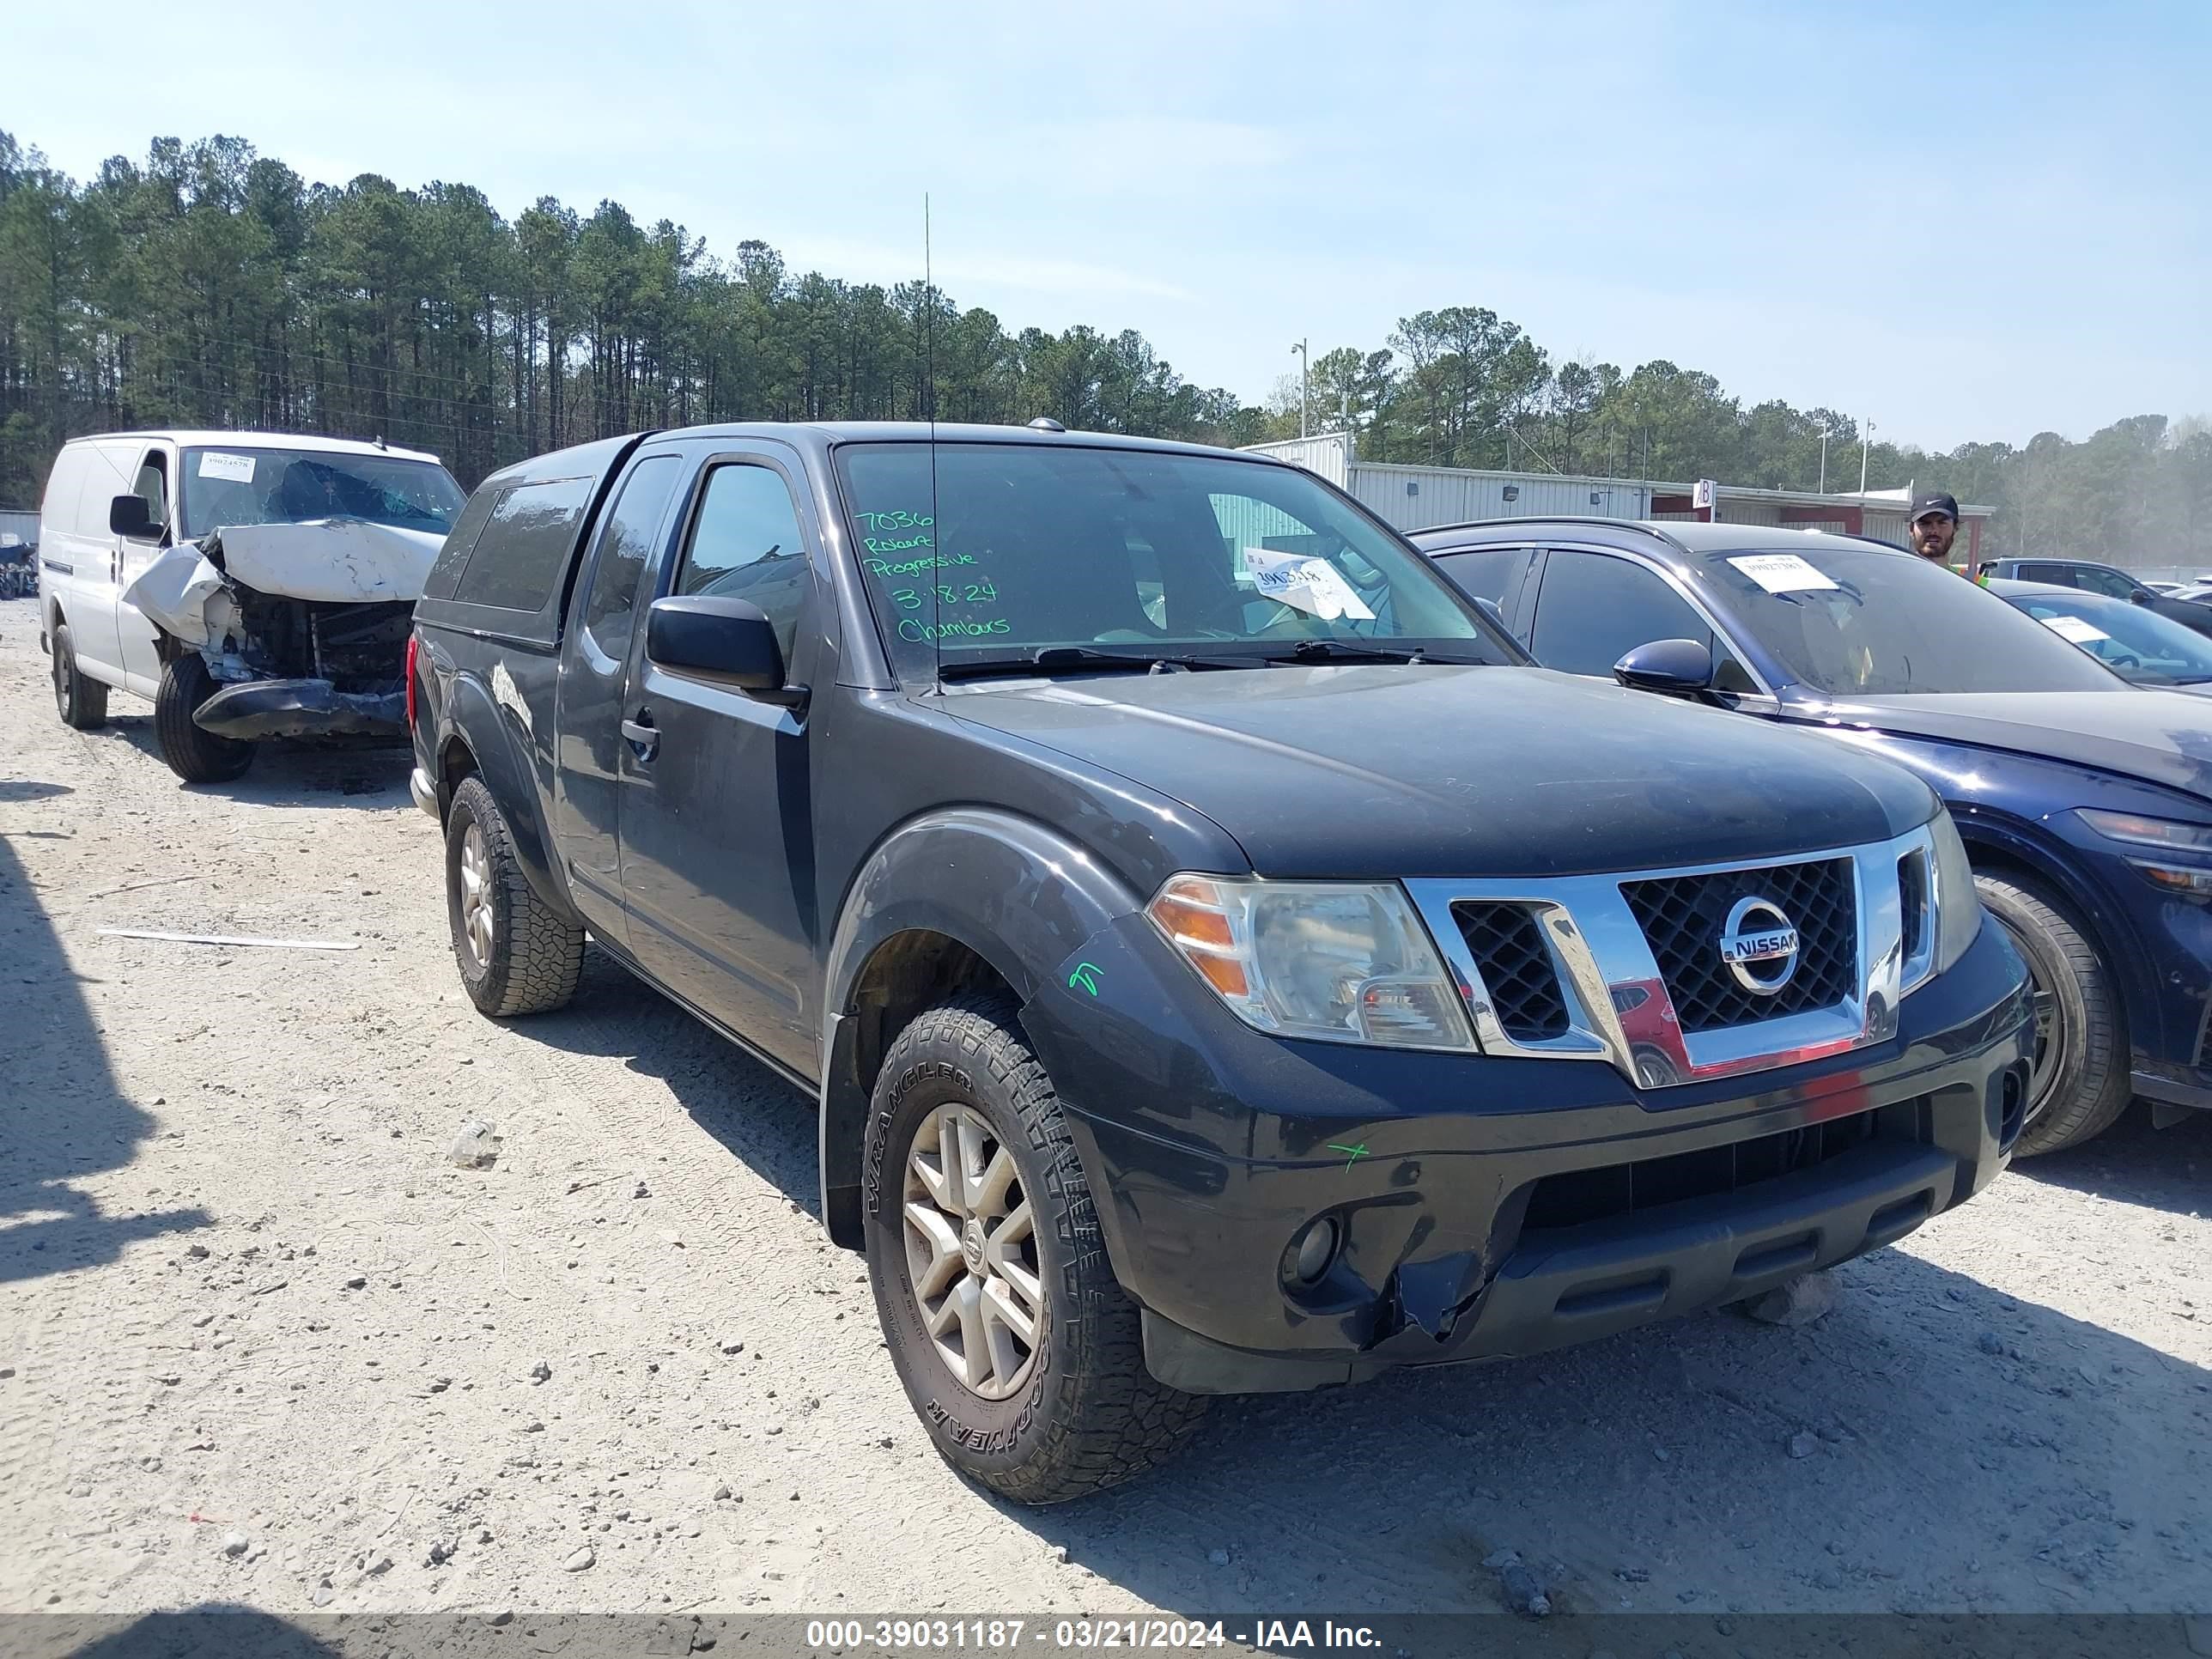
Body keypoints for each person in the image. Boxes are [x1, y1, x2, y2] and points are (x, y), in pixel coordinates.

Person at [1907, 489, 1961, 569]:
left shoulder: (1971, 581)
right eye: (1925, 523)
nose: (1933, 530)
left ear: (1955, 527)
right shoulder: (1892, 578)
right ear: (1911, 529)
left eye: (1942, 523)